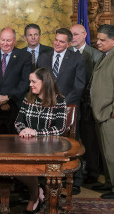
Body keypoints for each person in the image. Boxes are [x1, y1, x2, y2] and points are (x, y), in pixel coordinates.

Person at [15, 67, 67, 213]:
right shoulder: (28, 98)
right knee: (12, 165)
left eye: (33, 81)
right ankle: (37, 191)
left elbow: (60, 128)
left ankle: (34, 197)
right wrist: (23, 131)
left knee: (28, 166)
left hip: (49, 146)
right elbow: (18, 122)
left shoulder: (59, 100)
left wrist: (36, 133)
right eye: (29, 81)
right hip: (27, 145)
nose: (30, 85)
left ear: (45, 82)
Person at [70, 24, 103, 186]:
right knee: (72, 139)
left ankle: (92, 174)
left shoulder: (96, 55)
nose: (73, 38)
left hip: (89, 105)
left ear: (84, 35)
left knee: (90, 141)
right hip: (71, 105)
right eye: (71, 35)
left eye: (76, 34)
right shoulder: (67, 54)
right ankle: (73, 173)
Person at [0, 27, 32, 134]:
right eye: (3, 40)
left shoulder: (24, 56)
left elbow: (25, 82)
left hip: (15, 106)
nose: (5, 43)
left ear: (14, 41)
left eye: (8, 40)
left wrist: (8, 97)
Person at [91, 24, 114, 199]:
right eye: (97, 38)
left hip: (110, 114)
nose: (97, 42)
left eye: (102, 40)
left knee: (112, 153)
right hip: (101, 113)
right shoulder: (105, 55)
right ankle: (109, 182)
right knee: (106, 153)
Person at [37, 28, 85, 106]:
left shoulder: (77, 58)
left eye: (61, 42)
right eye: (56, 40)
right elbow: (38, 81)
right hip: (45, 104)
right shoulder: (43, 57)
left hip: (67, 105)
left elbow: (79, 87)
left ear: (68, 44)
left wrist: (63, 103)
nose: (57, 43)